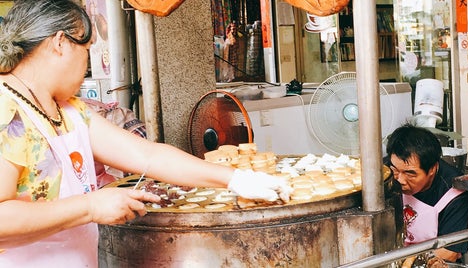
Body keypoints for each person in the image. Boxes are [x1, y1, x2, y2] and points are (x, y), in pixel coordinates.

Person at [0, 1, 289, 267]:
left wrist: (234, 179)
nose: (86, 66)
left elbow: (147, 155)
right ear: (60, 43)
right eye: (86, 50)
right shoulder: (5, 108)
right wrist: (89, 207)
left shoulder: (67, 110)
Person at [385, 123, 468, 262]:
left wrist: (411, 259)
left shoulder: (455, 191)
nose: (400, 179)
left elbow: (451, 251)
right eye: (395, 170)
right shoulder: (387, 170)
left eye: (410, 174)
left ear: (432, 169)